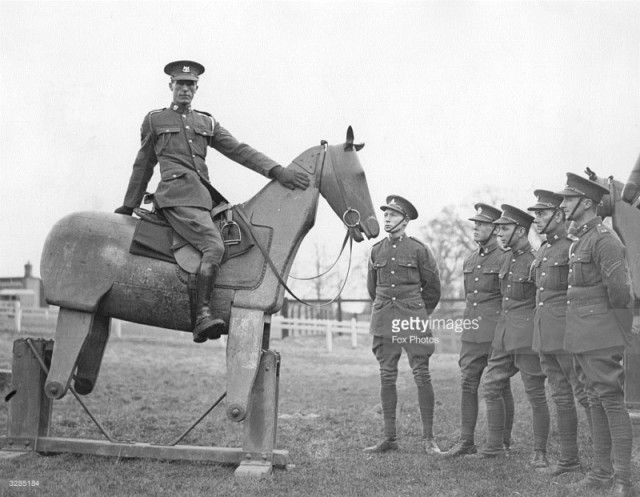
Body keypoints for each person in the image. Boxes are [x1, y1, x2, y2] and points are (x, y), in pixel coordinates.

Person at [114, 60, 309, 343]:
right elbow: (143, 165)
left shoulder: (206, 122)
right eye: (180, 84)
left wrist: (278, 171)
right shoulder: (155, 120)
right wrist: (129, 204)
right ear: (170, 86)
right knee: (213, 246)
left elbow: (240, 151)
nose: (185, 89)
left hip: (204, 200)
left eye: (190, 85)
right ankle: (202, 315)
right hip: (175, 198)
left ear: (196, 88)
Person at [556, 173, 635, 497]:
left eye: (567, 199)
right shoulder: (582, 240)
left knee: (611, 402)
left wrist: (618, 331)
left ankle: (623, 481)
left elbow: (620, 292)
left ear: (586, 203)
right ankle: (601, 474)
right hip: (583, 334)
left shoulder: (604, 241)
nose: (562, 205)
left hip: (601, 334)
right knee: (593, 399)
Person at [364, 195, 442, 454]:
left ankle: (429, 439)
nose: (386, 219)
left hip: (413, 321)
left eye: (393, 215)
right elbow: (373, 289)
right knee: (386, 375)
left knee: (421, 374)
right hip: (384, 320)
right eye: (385, 214)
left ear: (405, 220)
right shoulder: (376, 251)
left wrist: (418, 313)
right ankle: (390, 438)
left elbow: (433, 289)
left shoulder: (419, 250)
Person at [476, 205, 550, 467]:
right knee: (491, 385)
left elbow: (542, 300)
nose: (500, 233)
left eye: (505, 229)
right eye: (499, 228)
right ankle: (495, 446)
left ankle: (540, 452)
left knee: (535, 394)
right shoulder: (506, 258)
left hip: (527, 337)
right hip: (504, 335)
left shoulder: (536, 259)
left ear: (520, 230)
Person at [527, 189, 591, 477]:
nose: (536, 219)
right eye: (535, 214)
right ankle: (569, 460)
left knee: (586, 394)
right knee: (560, 396)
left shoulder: (572, 247)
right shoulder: (542, 249)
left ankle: (607, 461)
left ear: (560, 214)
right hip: (545, 333)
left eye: (542, 213)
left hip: (568, 334)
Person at [445, 203, 515, 457]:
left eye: (482, 224)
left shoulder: (506, 257)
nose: (475, 228)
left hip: (496, 333)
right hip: (473, 332)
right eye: (475, 224)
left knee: (500, 385)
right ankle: (466, 441)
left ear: (495, 229)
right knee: (467, 383)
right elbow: (470, 297)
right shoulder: (470, 258)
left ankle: (502, 442)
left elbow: (509, 296)